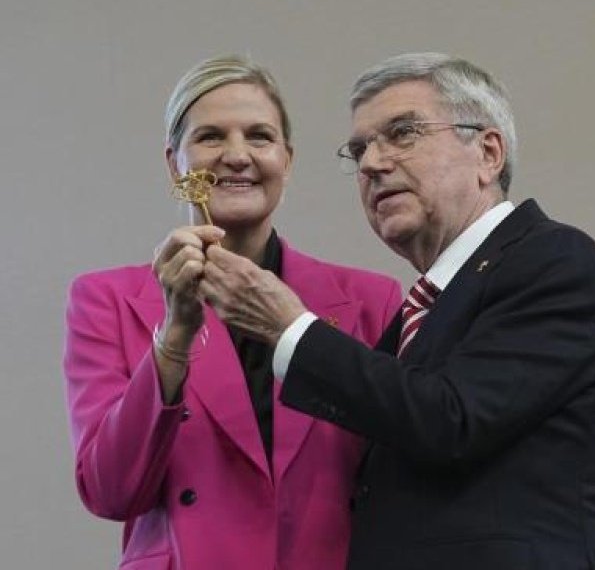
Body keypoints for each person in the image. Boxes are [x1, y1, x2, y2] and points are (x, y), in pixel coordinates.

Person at [199, 52, 595, 570]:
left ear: (488, 153)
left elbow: (450, 419)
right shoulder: (417, 315)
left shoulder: (553, 259)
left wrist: (290, 329)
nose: (372, 164)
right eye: (360, 149)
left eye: (403, 134)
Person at [62, 54, 401, 570]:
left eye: (259, 136)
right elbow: (110, 491)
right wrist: (174, 338)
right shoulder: (105, 299)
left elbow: (401, 480)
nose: (237, 155)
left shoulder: (371, 300)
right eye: (211, 136)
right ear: (174, 162)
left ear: (286, 160)